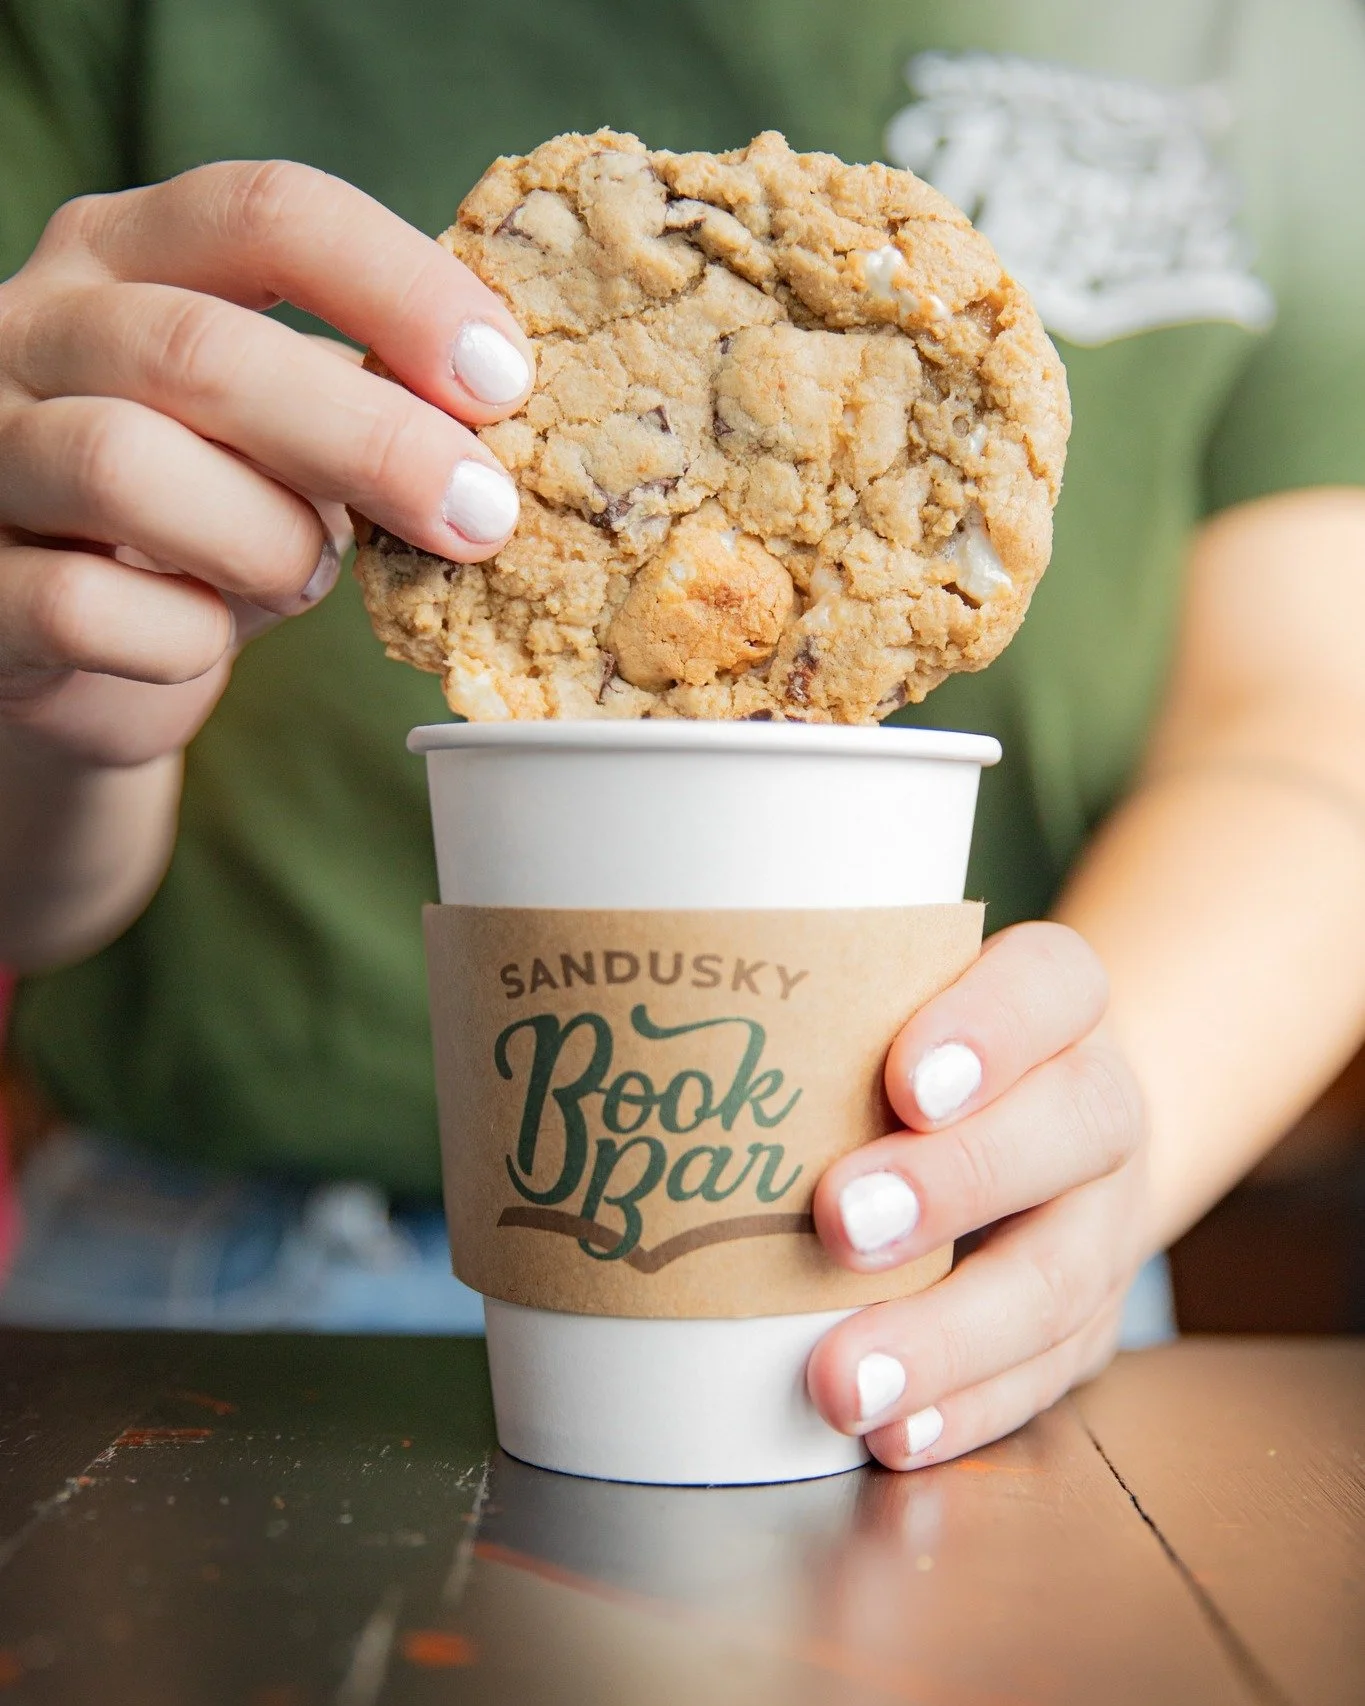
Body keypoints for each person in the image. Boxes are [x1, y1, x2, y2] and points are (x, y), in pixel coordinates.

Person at [2, 0, 1364, 1471]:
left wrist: (1096, 1138)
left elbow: (1307, 725)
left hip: (965, 1298)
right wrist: (66, 681)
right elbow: (33, 888)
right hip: (194, 1303)